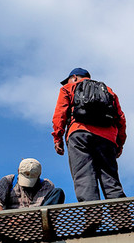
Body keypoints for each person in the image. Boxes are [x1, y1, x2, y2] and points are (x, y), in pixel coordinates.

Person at [51, 67, 127, 203]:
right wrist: (119, 144)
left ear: (74, 77)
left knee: (84, 178)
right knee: (111, 180)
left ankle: (93, 219)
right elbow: (120, 118)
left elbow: (60, 114)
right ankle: (123, 220)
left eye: (68, 80)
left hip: (79, 134)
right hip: (107, 139)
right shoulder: (108, 90)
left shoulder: (69, 88)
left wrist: (58, 138)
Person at [0, 158, 64, 212]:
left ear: (39, 175)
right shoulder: (9, 180)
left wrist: (21, 220)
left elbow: (35, 208)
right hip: (6, 221)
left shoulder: (46, 185)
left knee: (58, 192)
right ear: (18, 171)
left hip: (34, 221)